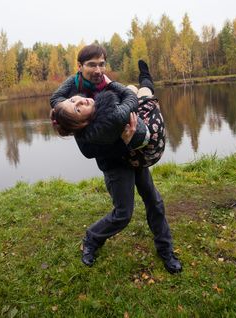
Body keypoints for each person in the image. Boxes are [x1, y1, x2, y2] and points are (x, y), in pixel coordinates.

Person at [50, 44, 182, 274]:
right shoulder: (75, 100)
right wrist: (124, 140)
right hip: (114, 163)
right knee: (123, 214)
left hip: (134, 155)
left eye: (102, 64)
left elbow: (128, 99)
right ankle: (92, 239)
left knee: (154, 201)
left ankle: (166, 250)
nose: (98, 69)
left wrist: (131, 138)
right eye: (92, 65)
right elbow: (87, 148)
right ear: (80, 67)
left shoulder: (104, 88)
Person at [50, 60, 166, 168]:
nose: (80, 101)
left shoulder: (80, 128)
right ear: (82, 122)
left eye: (72, 100)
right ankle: (145, 77)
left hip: (132, 150)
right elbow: (131, 98)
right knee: (143, 91)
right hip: (151, 142)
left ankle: (144, 81)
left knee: (130, 87)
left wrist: (80, 72)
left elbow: (56, 99)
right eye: (77, 110)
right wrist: (110, 83)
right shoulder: (111, 117)